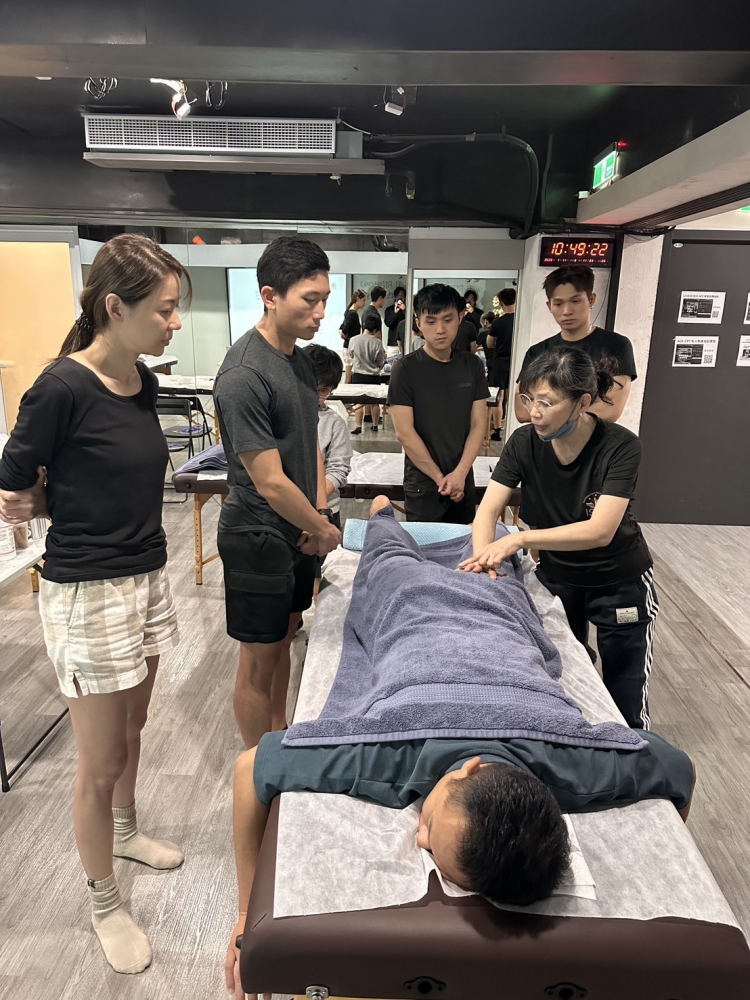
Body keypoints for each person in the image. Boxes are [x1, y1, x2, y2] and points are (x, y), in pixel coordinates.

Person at [224, 495, 696, 998]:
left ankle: (398, 521)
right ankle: (382, 511)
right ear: (468, 769)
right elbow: (249, 770)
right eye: (431, 823)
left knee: (460, 563)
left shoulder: (577, 765)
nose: (419, 837)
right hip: (416, 598)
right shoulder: (392, 749)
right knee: (396, 552)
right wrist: (245, 914)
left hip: (482, 609)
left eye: (426, 838)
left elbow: (676, 768)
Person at [0, 234, 190, 975]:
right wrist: (35, 503)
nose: (175, 322)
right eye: (165, 310)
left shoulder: (138, 382)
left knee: (134, 729)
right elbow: (14, 483)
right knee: (99, 759)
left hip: (146, 576)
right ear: (116, 307)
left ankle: (126, 830)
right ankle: (105, 903)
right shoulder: (59, 387)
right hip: (87, 588)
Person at [461, 348, 658, 730]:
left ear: (582, 403)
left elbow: (600, 531)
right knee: (566, 676)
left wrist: (518, 540)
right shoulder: (524, 442)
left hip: (619, 581)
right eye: (528, 399)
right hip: (559, 576)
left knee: (626, 695)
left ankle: (637, 754)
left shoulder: (620, 446)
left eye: (546, 403)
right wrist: (484, 562)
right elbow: (487, 511)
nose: (533, 412)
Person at [213, 236, 342, 751]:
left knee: (285, 639)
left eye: (324, 299)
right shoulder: (244, 373)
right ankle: (256, 768)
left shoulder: (300, 360)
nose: (320, 312)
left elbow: (310, 443)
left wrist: (317, 515)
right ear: (270, 296)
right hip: (258, 534)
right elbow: (267, 480)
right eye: (310, 300)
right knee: (258, 660)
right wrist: (321, 528)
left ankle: (279, 738)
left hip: (298, 528)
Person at [388, 284, 488, 524]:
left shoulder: (472, 366)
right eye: (431, 322)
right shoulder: (405, 369)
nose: (440, 330)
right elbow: (404, 433)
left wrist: (460, 474)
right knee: (424, 546)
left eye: (448, 320)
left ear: (460, 318)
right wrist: (440, 478)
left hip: (463, 479)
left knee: (464, 545)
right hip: (423, 484)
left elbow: (478, 425)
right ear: (418, 323)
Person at [514, 265, 637, 425]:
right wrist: (576, 412)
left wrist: (548, 411)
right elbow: (522, 410)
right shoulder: (537, 351)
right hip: (544, 438)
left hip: (593, 439)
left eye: (575, 301)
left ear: (591, 299)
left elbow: (610, 410)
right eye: (558, 304)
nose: (567, 311)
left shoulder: (615, 346)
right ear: (549, 306)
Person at [303, 343, 352, 532]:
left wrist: (312, 502)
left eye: (323, 391)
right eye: (309, 387)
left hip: (325, 510)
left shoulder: (334, 422)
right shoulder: (280, 415)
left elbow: (338, 470)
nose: (314, 396)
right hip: (285, 509)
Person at [349, 314, 387, 435]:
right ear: (376, 329)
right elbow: (380, 361)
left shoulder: (353, 340)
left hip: (358, 375)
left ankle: (358, 426)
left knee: (358, 402)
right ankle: (375, 425)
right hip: (373, 376)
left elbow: (351, 355)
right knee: (374, 402)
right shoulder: (377, 343)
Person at [487, 288, 516, 440]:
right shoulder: (520, 320)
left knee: (498, 395)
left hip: (500, 361)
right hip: (516, 360)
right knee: (514, 393)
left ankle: (497, 430)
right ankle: (513, 427)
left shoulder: (498, 322)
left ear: (501, 303)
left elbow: (489, 343)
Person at [340, 289, 366, 384]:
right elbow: (344, 330)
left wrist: (342, 333)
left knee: (349, 375)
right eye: (363, 300)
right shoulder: (353, 314)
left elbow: (341, 329)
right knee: (348, 377)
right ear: (358, 299)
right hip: (350, 347)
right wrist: (343, 334)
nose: (365, 303)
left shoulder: (349, 312)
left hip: (349, 347)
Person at [384, 285, 407, 356]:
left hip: (405, 343)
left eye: (402, 296)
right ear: (395, 296)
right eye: (398, 296)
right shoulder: (389, 310)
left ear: (405, 297)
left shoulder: (407, 310)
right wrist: (395, 313)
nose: (400, 298)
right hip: (392, 344)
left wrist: (405, 310)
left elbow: (412, 322)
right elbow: (388, 323)